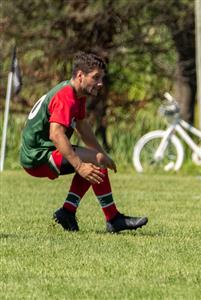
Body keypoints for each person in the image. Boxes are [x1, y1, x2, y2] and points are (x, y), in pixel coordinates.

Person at [19, 52, 148, 233]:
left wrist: (102, 154)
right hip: (38, 157)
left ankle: (67, 212)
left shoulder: (77, 95)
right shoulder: (66, 96)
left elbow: (82, 126)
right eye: (95, 77)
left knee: (97, 160)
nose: (100, 83)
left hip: (42, 153)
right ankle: (113, 219)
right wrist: (80, 166)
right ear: (80, 76)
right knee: (93, 161)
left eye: (101, 78)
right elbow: (56, 134)